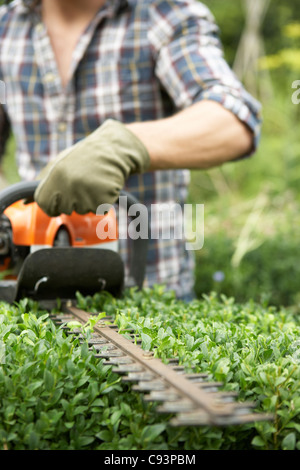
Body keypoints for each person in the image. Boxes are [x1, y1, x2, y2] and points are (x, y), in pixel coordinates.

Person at [0, 0, 262, 300]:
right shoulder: (6, 27)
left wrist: (126, 145)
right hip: (34, 289)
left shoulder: (163, 14)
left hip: (152, 295)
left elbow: (234, 118)